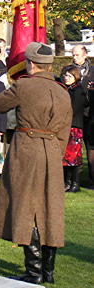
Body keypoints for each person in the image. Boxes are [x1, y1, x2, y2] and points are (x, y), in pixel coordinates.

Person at [0, 42, 72, 284]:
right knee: (49, 209)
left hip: (27, 149)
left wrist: (14, 82)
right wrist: (56, 153)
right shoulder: (62, 91)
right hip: (53, 151)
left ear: (30, 63)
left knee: (27, 207)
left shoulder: (23, 85)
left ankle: (34, 272)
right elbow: (65, 131)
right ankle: (47, 272)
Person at [60, 65, 87, 193]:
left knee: (74, 157)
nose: (66, 78)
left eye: (69, 76)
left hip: (74, 127)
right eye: (65, 75)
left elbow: (74, 109)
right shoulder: (66, 89)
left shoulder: (78, 91)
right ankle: (67, 182)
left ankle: (75, 183)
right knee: (65, 157)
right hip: (65, 126)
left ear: (75, 77)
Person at [72, 44, 94, 188]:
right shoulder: (68, 71)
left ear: (85, 55)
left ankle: (92, 178)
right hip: (75, 116)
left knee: (91, 147)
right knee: (73, 148)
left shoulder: (92, 71)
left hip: (91, 115)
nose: (74, 58)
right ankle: (74, 180)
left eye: (77, 55)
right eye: (73, 55)